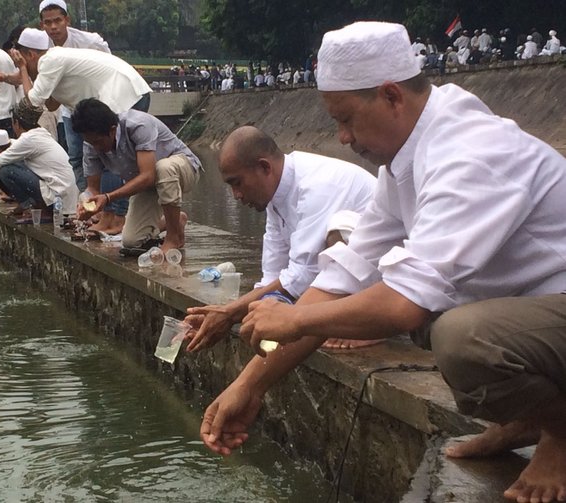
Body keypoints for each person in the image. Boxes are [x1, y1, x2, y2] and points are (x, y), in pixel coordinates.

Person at [199, 21, 566, 503]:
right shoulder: (404, 163)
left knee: (461, 337)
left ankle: (560, 434)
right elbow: (343, 274)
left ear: (392, 96)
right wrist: (250, 385)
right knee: (427, 314)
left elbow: (404, 304)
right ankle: (529, 420)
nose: (343, 137)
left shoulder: (469, 152)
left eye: (346, 119)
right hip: (537, 313)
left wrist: (295, 319)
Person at [184, 126, 376, 352]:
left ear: (264, 167)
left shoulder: (317, 185)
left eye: (237, 183)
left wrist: (231, 313)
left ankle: (371, 326)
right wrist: (230, 318)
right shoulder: (276, 198)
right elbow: (273, 279)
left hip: (389, 275)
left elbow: (302, 275)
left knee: (339, 230)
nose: (236, 195)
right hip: (355, 278)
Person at [72, 98, 201, 252]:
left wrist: (107, 198)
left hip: (182, 169)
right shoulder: (91, 144)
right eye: (91, 142)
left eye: (98, 142)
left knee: (163, 168)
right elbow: (92, 188)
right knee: (131, 241)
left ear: (112, 130)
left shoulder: (138, 125)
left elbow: (148, 175)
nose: (96, 147)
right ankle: (174, 220)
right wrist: (87, 205)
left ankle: (173, 237)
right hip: (148, 184)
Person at [38, 0, 113, 193]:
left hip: (97, 106)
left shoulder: (90, 42)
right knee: (75, 156)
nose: (53, 27)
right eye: (48, 23)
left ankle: (108, 200)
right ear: (42, 25)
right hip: (69, 107)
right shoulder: (42, 48)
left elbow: (110, 66)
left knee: (105, 152)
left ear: (67, 20)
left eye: (58, 21)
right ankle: (85, 199)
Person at [0, 98, 78, 217]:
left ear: (16, 123)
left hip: (58, 197)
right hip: (62, 195)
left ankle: (32, 207)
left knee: (7, 170)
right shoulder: (39, 134)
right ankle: (31, 206)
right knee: (7, 166)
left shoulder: (28, 139)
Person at [0, 28, 151, 116]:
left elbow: (33, 102)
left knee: (119, 154)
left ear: (30, 54)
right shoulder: (53, 60)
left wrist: (22, 68)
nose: (22, 66)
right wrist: (23, 70)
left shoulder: (51, 59)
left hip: (125, 96)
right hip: (127, 93)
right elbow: (51, 104)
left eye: (23, 60)